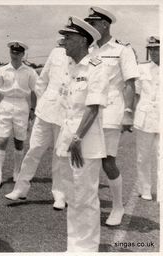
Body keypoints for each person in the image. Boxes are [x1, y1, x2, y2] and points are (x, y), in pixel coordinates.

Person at [55, 16, 108, 251]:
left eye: (68, 37)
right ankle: (74, 247)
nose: (63, 41)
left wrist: (78, 138)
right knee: (72, 197)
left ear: (83, 40)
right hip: (69, 141)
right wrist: (70, 139)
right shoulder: (70, 67)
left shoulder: (96, 67)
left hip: (85, 142)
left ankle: (87, 249)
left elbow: (93, 107)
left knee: (86, 198)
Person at [84, 6, 139, 226]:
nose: (91, 27)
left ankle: (118, 207)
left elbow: (130, 84)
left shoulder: (122, 50)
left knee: (107, 161)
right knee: (88, 160)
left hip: (110, 112)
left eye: (94, 23)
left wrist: (128, 112)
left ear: (104, 24)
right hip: (88, 112)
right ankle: (90, 206)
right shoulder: (88, 50)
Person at [5, 45, 70, 210]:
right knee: (34, 150)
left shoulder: (88, 57)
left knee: (60, 155)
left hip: (66, 114)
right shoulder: (56, 52)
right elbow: (42, 81)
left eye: (69, 37)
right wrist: (42, 103)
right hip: (45, 111)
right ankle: (20, 188)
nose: (65, 41)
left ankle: (60, 195)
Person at [0, 40, 38, 188]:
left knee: (19, 141)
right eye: (13, 52)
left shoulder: (30, 71)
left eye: (18, 53)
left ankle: (17, 172)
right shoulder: (1, 70)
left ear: (23, 54)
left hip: (22, 105)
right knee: (2, 139)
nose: (15, 55)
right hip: (6, 104)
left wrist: (32, 110)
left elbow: (34, 91)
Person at [134, 36, 160, 201]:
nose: (153, 52)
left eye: (156, 49)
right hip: (144, 118)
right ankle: (145, 189)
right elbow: (136, 94)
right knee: (142, 156)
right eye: (151, 49)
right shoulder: (141, 69)